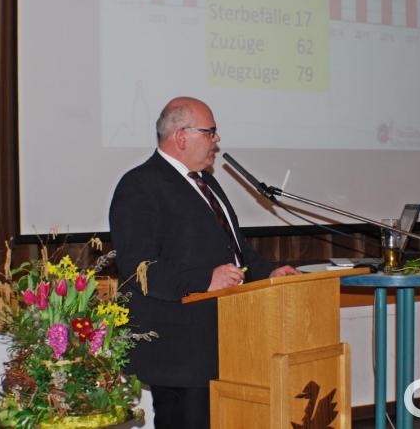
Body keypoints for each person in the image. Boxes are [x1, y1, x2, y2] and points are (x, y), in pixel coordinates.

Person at [109, 96, 299, 429]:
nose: (217, 140)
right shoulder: (140, 185)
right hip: (180, 350)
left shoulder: (206, 183)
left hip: (226, 340)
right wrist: (203, 279)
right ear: (181, 136)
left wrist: (269, 272)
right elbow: (137, 269)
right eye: (210, 132)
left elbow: (235, 254)